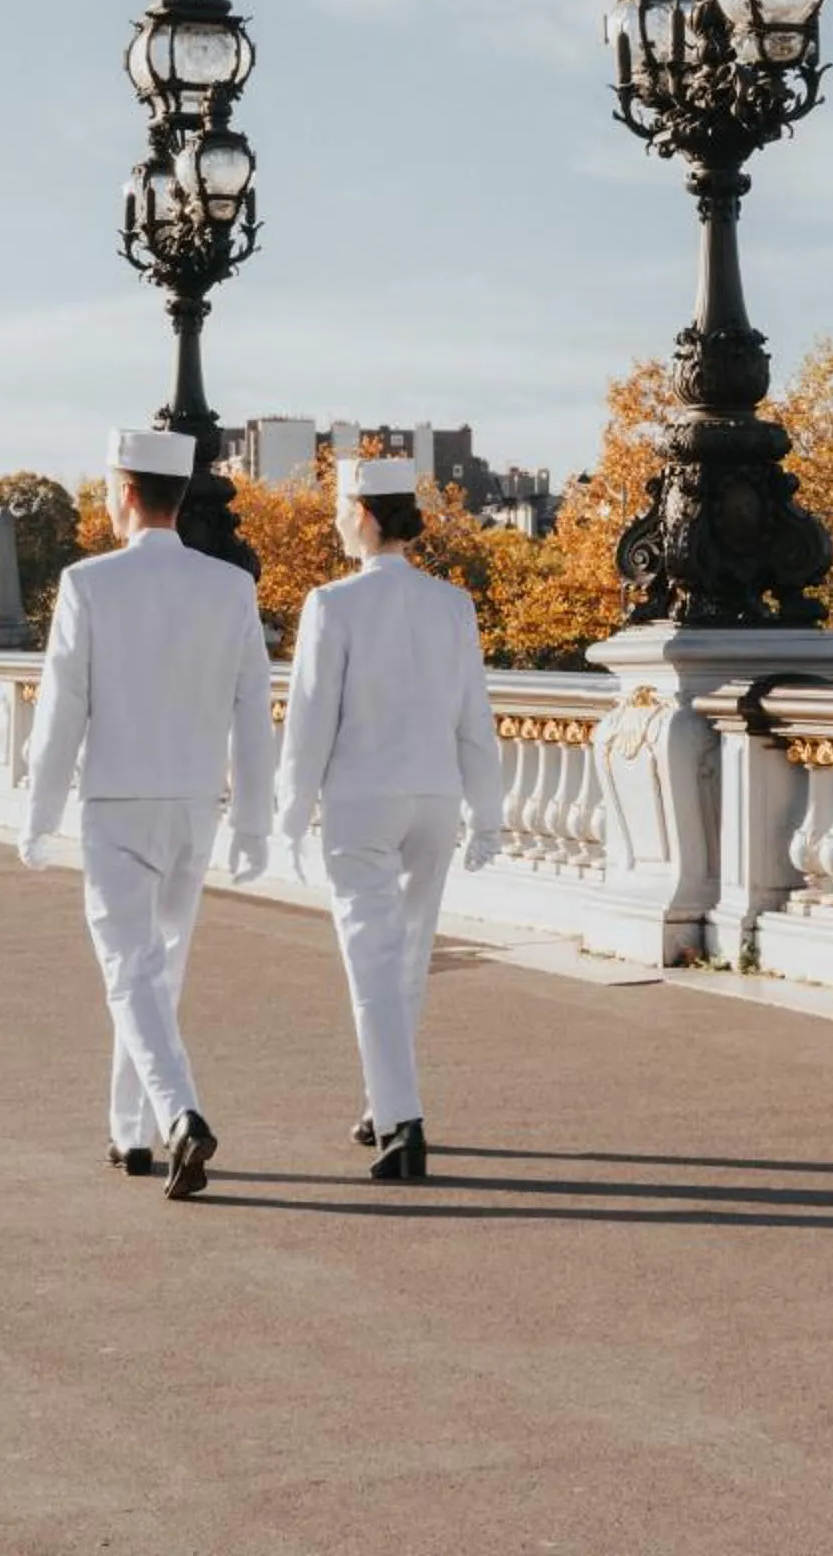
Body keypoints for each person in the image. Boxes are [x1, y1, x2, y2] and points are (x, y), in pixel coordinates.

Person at [19, 429, 277, 1201]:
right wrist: (255, 823)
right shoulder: (231, 587)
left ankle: (178, 1113)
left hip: (117, 804)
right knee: (158, 973)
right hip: (195, 804)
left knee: (131, 972)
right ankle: (128, 1130)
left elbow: (62, 711)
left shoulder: (88, 583)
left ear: (126, 493)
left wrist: (37, 813)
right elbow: (251, 716)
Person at [276, 459, 503, 1182]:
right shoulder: (453, 604)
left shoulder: (332, 604)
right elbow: (476, 719)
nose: (336, 520)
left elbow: (310, 720)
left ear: (366, 514)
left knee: (370, 958)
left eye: (341, 508)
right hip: (434, 797)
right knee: (406, 958)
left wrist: (289, 809)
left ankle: (403, 1120)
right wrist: (488, 810)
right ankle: (383, 1101)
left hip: (361, 800)